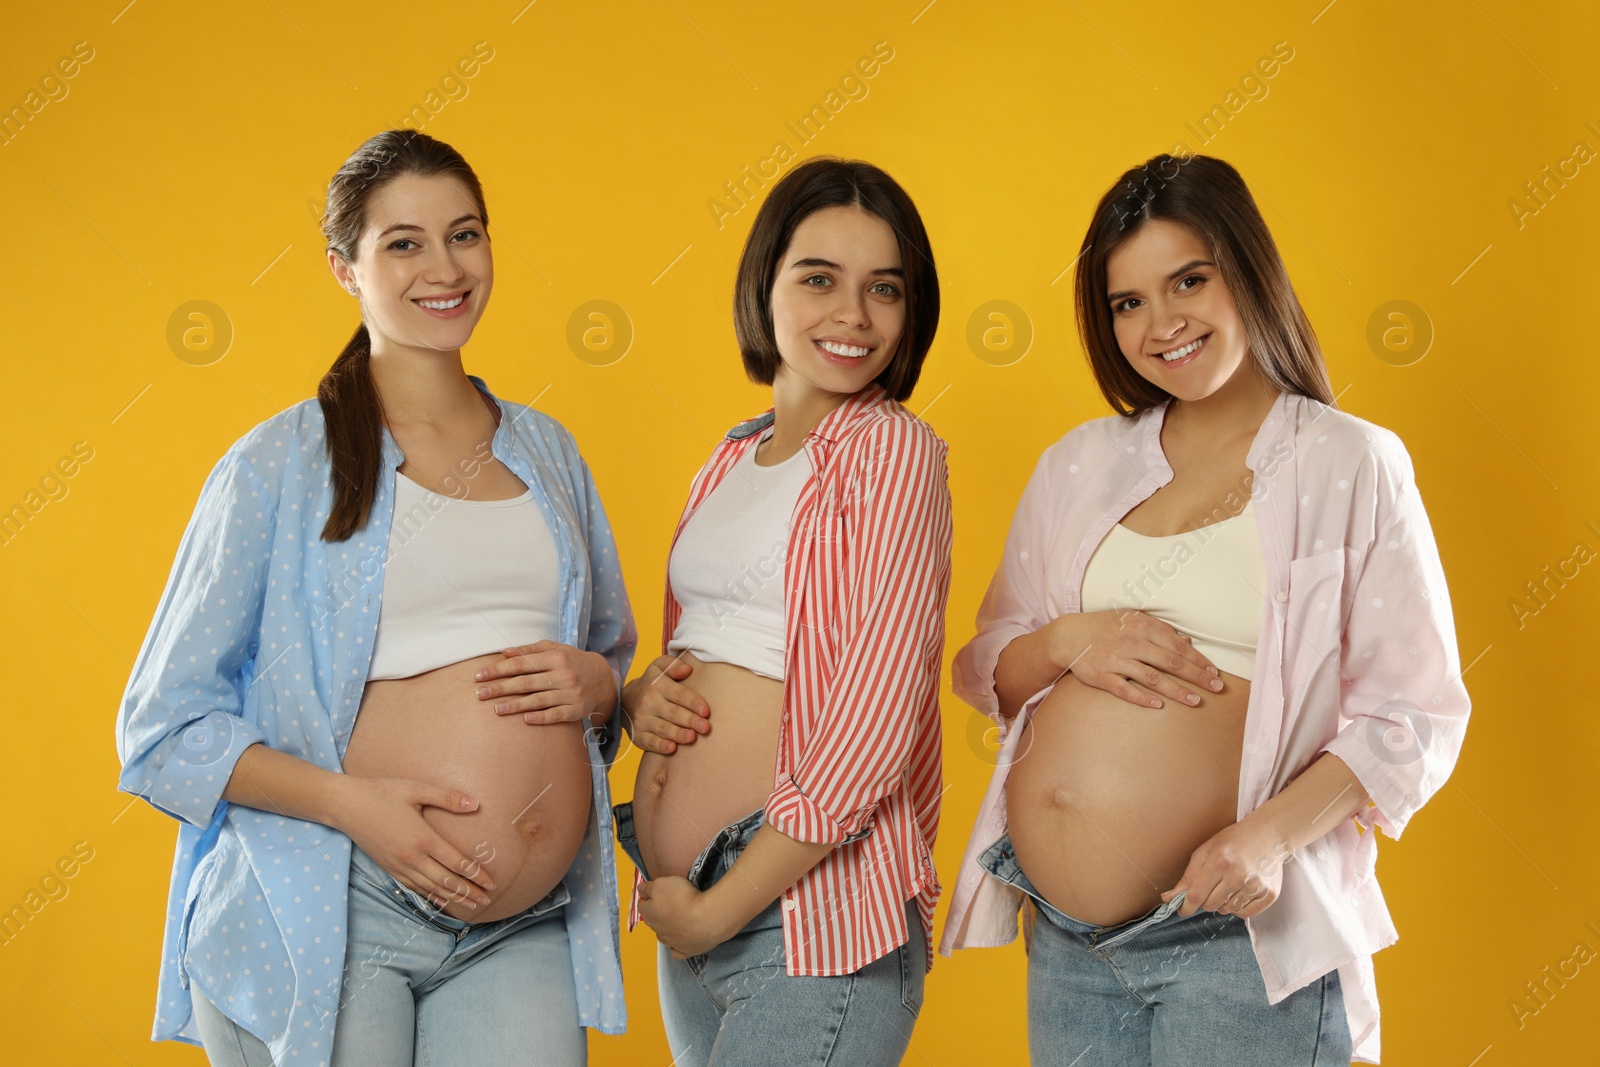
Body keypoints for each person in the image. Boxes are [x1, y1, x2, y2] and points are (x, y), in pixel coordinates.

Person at [115, 129, 636, 1067]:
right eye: (403, 242)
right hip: (337, 905)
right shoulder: (278, 464)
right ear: (343, 268)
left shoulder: (550, 453)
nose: (444, 267)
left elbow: (609, 677)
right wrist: (361, 810)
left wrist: (599, 686)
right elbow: (163, 730)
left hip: (520, 930)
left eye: (464, 234)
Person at [939, 153, 1471, 1066]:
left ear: (1248, 272)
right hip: (1069, 945)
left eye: (1189, 279)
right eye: (1128, 302)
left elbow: (1414, 716)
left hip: (1238, 939)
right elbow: (989, 665)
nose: (1162, 323)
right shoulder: (1079, 462)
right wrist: (1070, 641)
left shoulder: (1350, 462)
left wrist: (1263, 841)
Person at [612, 156, 952, 1067]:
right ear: (765, 284)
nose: (853, 315)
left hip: (809, 920)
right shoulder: (728, 460)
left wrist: (722, 905)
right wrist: (643, 696)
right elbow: (704, 643)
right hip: (691, 917)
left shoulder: (893, 452)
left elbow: (872, 723)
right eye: (819, 279)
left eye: (885, 288)